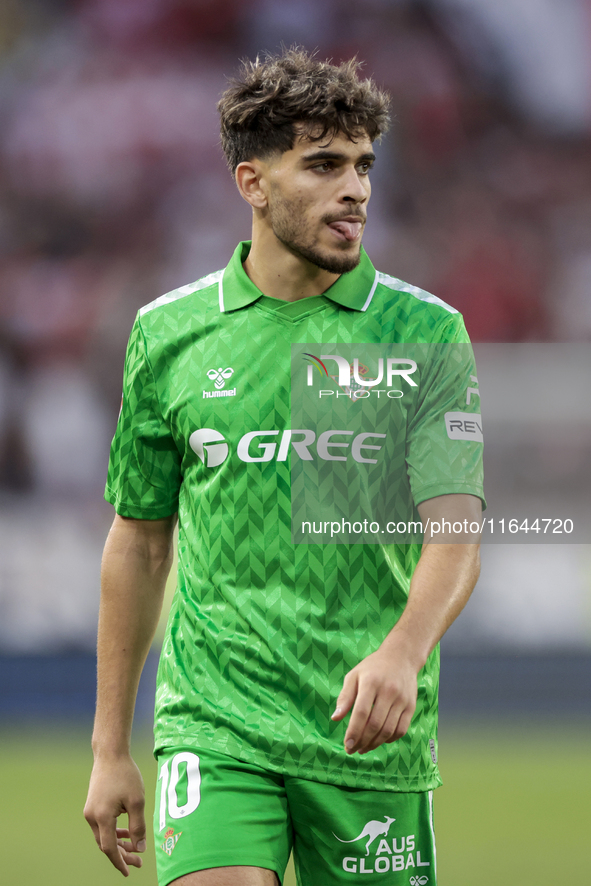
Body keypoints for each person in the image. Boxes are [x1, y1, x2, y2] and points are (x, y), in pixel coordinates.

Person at [84, 49, 484, 886]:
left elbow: (454, 532)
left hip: (364, 728)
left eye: (364, 165)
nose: (356, 189)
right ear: (252, 183)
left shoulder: (421, 332)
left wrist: (403, 653)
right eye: (324, 164)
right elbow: (140, 540)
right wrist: (109, 746)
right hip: (214, 722)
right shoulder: (169, 335)